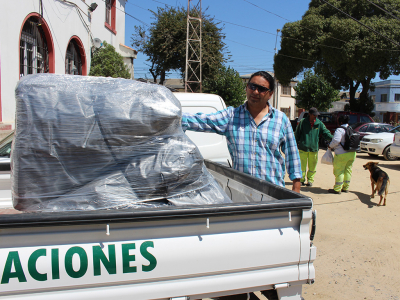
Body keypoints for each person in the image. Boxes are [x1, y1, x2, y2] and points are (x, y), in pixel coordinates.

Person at [181, 71, 302, 192]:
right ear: (247, 88)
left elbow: (292, 155)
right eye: (252, 86)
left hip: (272, 193)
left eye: (261, 89)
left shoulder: (281, 120)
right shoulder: (231, 117)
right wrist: (171, 115)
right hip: (241, 192)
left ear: (270, 94)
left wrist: (296, 190)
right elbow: (202, 121)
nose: (255, 92)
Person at [295, 107, 333, 187]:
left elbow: (326, 133)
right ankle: (301, 180)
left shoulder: (319, 124)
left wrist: (333, 138)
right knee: (302, 166)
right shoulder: (302, 122)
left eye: (317, 115)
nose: (316, 116)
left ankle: (310, 180)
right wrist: (295, 144)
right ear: (309, 114)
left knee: (312, 167)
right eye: (314, 115)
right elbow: (297, 134)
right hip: (303, 148)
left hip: (314, 149)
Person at [328, 115, 356, 194]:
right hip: (352, 153)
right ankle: (346, 188)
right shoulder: (351, 128)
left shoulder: (339, 130)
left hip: (341, 154)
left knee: (339, 171)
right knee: (348, 170)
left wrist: (330, 146)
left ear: (340, 122)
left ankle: (337, 189)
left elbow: (336, 140)